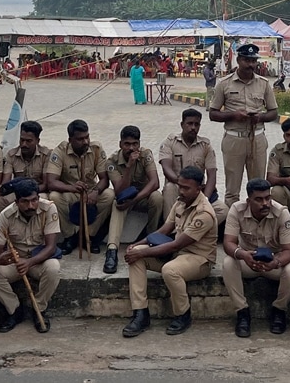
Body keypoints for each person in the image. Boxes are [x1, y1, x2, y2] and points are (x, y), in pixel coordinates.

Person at [123, 165, 217, 338]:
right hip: (177, 255)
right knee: (135, 256)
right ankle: (140, 313)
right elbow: (164, 231)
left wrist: (143, 252)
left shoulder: (204, 213)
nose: (181, 191)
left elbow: (176, 245)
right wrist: (137, 245)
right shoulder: (180, 202)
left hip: (199, 260)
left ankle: (183, 315)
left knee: (170, 270)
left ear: (199, 189)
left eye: (186, 188)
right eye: (180, 186)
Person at [221, 179, 290, 338]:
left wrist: (275, 263)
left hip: (274, 263)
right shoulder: (237, 210)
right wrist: (243, 255)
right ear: (249, 201)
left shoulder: (281, 213)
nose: (265, 203)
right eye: (259, 199)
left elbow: (289, 250)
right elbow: (228, 243)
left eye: (267, 198)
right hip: (248, 261)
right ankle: (242, 312)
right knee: (228, 263)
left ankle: (279, 310)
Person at [0, 178, 62, 333]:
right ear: (17, 201)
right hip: (15, 260)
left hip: (38, 259)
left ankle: (38, 309)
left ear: (39, 198)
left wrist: (30, 262)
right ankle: (14, 310)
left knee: (53, 268)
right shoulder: (5, 216)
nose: (31, 206)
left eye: (34, 200)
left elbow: (51, 247)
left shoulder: (49, 209)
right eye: (25, 202)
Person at [209, 43, 279, 206]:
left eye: (253, 61)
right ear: (238, 60)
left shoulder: (264, 83)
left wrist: (260, 117)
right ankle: (230, 225)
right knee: (232, 190)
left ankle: (257, 224)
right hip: (234, 140)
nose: (251, 65)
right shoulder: (224, 84)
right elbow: (213, 113)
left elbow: (273, 112)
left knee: (259, 187)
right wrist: (234, 115)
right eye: (247, 60)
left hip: (257, 139)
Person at [46, 119, 114, 254]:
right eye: (80, 139)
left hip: (90, 192)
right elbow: (51, 182)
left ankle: (89, 236)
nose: (85, 142)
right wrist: (71, 188)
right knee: (54, 197)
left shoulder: (96, 149)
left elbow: (104, 179)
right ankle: (71, 236)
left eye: (87, 137)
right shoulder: (60, 151)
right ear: (70, 139)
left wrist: (95, 191)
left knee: (109, 195)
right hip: (70, 192)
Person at [103, 126, 162, 274]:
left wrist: (134, 200)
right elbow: (120, 191)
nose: (131, 148)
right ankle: (111, 251)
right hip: (125, 199)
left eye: (135, 144)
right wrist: (129, 166)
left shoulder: (145, 154)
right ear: (120, 144)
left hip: (141, 198)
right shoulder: (112, 161)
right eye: (127, 144)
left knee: (157, 197)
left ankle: (151, 240)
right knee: (117, 204)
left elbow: (155, 183)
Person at [158, 108, 225, 223]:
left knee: (223, 211)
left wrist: (205, 199)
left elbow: (212, 175)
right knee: (169, 188)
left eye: (196, 124)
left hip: (197, 191)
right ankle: (172, 230)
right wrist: (184, 185)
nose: (193, 127)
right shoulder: (170, 142)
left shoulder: (206, 146)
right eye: (189, 123)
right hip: (177, 187)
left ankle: (192, 228)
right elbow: (166, 168)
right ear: (182, 124)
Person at [3, 120, 52, 195]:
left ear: (37, 141)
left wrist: (29, 191)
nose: (24, 144)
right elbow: (6, 181)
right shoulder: (11, 155)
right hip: (18, 192)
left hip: (39, 192)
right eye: (22, 140)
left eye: (28, 141)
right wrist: (1, 190)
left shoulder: (46, 155)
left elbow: (45, 185)